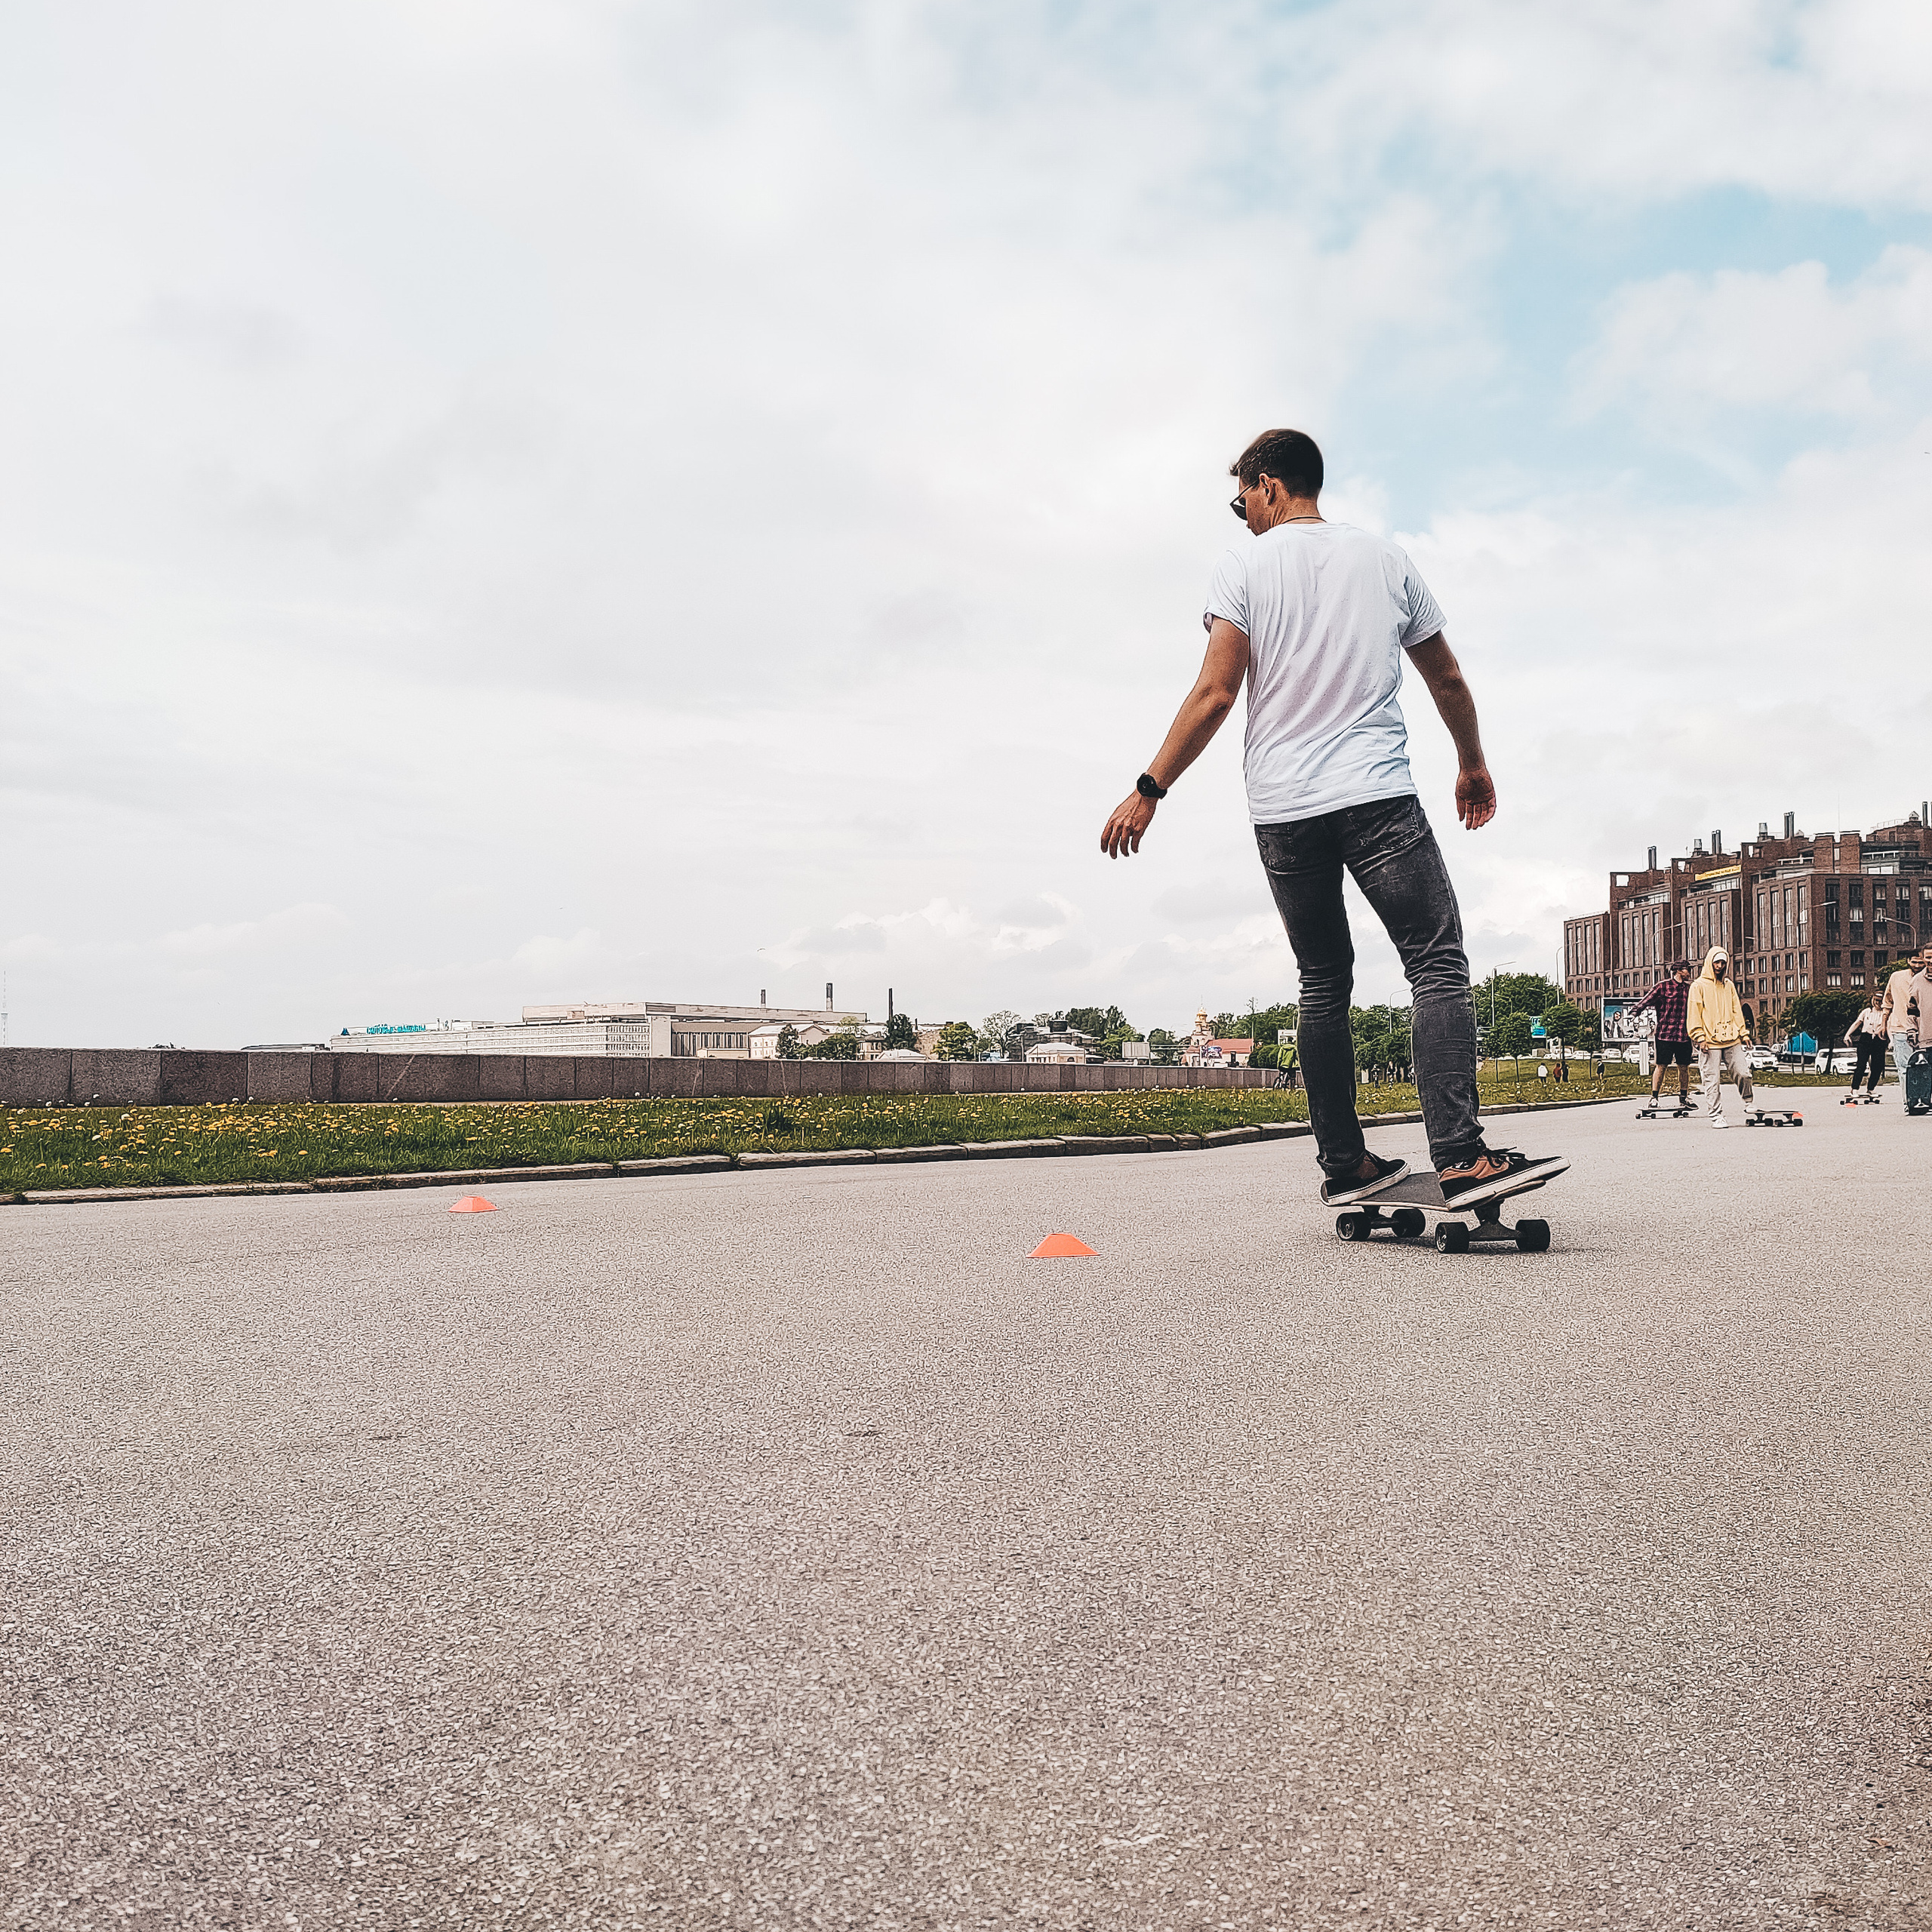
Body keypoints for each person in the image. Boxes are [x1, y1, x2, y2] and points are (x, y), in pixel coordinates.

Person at [1099, 427, 1561, 1210]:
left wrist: (1149, 788)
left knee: (1322, 981)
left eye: (1240, 496)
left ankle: (1345, 1164)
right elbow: (1445, 677)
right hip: (1375, 795)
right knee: (1435, 964)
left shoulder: (1241, 566)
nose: (1239, 512)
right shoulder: (1383, 558)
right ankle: (1459, 1156)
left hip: (1282, 809)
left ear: (1271, 485)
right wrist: (1472, 762)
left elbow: (1215, 693)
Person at [1686, 946, 1755, 1128]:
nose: (1719, 965)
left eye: (1723, 962)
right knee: (1712, 1080)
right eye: (1716, 962)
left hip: (1732, 1038)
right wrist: (1699, 1037)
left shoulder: (1729, 985)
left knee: (1743, 1073)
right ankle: (1717, 1116)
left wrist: (1744, 1033)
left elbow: (1736, 1011)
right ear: (1709, 962)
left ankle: (1749, 1103)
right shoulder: (1698, 986)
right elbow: (1694, 1013)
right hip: (1709, 1041)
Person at [1629, 961, 1694, 1109]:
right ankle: (1654, 1098)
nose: (1689, 972)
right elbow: (1646, 1000)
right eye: (1687, 969)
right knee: (1661, 1066)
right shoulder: (1663, 986)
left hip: (1683, 1035)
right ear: (1678, 971)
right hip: (1665, 1034)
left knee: (1684, 1067)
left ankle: (1684, 1097)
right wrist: (1635, 1012)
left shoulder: (1690, 989)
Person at [1879, 945, 1932, 1084]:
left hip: (1926, 1032)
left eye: (1920, 962)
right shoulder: (1896, 977)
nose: (1917, 965)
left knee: (1925, 1069)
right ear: (1908, 961)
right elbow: (1887, 1003)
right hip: (1901, 1029)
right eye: (1914, 962)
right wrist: (1883, 1025)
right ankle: (1908, 1103)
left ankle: (1923, 1100)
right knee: (1905, 1068)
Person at [1844, 989, 1889, 1097]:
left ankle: (1871, 1088)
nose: (1878, 1003)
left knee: (1878, 1065)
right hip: (1866, 1038)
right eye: (1876, 1001)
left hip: (1879, 1039)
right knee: (1861, 1064)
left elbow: (1887, 1026)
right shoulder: (1867, 1011)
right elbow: (1857, 1023)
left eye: (1880, 1001)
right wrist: (1847, 1034)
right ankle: (1854, 1088)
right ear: (1873, 1000)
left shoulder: (1885, 1014)